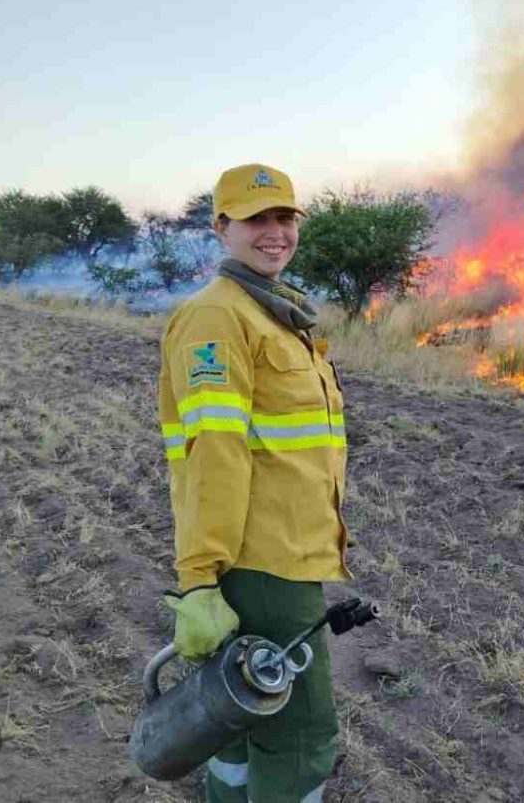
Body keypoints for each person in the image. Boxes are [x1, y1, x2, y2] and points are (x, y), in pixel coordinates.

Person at [157, 163, 349, 803]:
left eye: (285, 217)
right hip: (264, 562)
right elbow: (215, 453)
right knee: (300, 734)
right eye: (256, 219)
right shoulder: (217, 319)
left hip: (287, 548)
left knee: (238, 722)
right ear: (221, 228)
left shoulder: (276, 313)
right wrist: (202, 577)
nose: (275, 232)